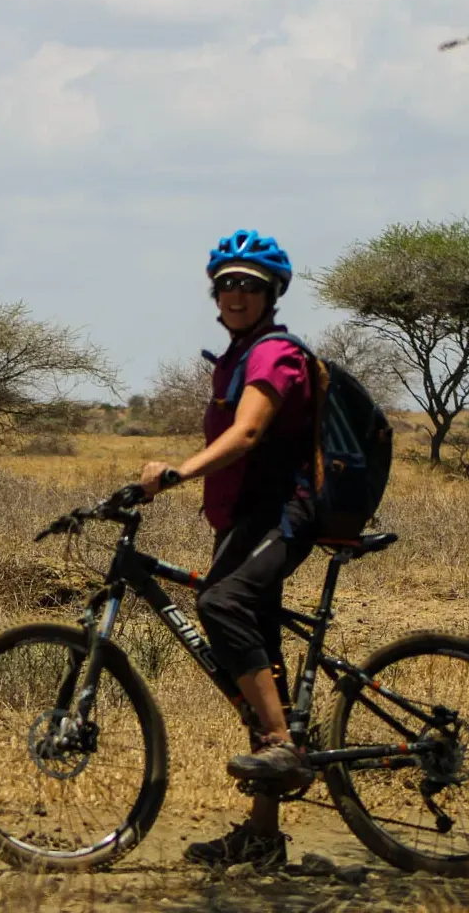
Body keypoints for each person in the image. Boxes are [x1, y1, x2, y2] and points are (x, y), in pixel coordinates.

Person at [138, 229, 320, 872]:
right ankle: (263, 837)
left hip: (287, 512)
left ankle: (283, 746)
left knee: (220, 601)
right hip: (247, 517)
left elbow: (247, 435)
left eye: (248, 284)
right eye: (226, 283)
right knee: (254, 668)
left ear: (271, 293)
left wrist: (178, 474)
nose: (235, 292)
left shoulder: (273, 355)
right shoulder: (236, 355)